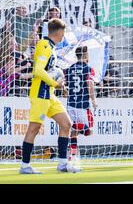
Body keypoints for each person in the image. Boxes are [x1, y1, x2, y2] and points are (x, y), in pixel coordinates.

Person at [20, 18, 80, 174]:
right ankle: (25, 166)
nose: (64, 35)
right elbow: (38, 70)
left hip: (49, 94)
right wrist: (56, 83)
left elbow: (49, 70)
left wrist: (60, 84)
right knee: (34, 128)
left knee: (66, 124)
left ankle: (62, 164)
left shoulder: (51, 47)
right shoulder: (44, 45)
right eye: (64, 32)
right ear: (59, 32)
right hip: (40, 93)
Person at [66, 46, 97, 162]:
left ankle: (73, 154)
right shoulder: (88, 69)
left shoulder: (69, 69)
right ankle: (73, 153)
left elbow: (65, 86)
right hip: (82, 105)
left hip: (70, 103)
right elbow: (90, 84)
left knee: (73, 131)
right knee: (89, 131)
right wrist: (94, 101)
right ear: (85, 55)